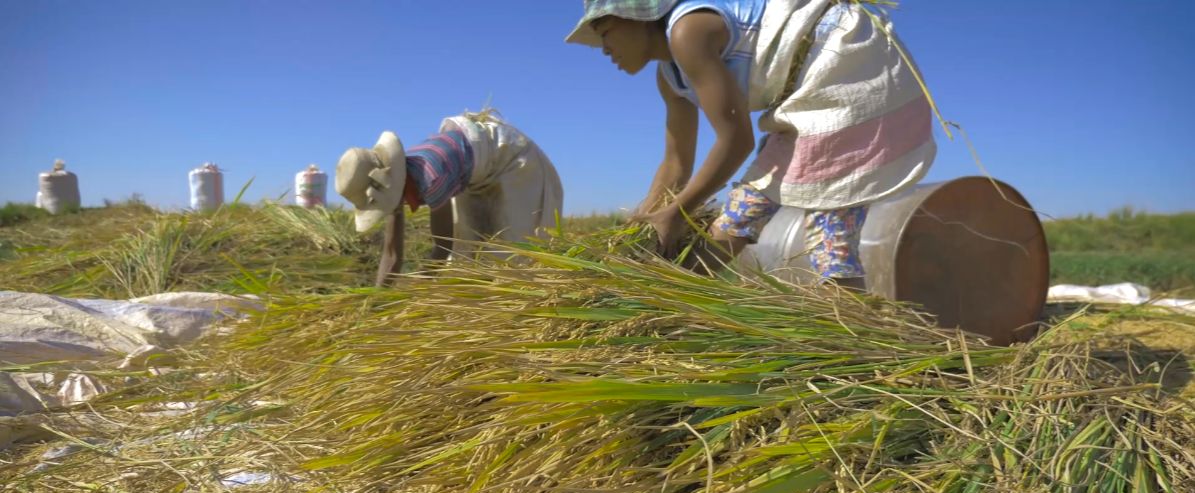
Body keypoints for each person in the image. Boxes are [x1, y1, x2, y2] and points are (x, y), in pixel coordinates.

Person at [566, 0, 936, 288]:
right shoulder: (671, 78)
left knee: (829, 238)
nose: (604, 48)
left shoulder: (688, 32)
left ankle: (858, 346)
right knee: (740, 215)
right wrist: (645, 220)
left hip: (847, 77)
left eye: (606, 30)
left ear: (639, 18)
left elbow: (737, 140)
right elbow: (676, 162)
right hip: (803, 101)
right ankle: (669, 303)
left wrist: (677, 214)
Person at [335, 111, 564, 286]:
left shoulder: (430, 179)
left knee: (511, 257)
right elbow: (392, 253)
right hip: (468, 169)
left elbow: (442, 246)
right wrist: (377, 299)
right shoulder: (396, 177)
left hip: (510, 160)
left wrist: (422, 286)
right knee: (468, 258)